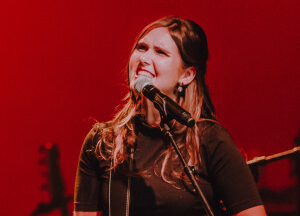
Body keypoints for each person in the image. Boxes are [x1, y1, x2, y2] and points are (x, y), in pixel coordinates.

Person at [73, 16, 266, 216]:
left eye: (160, 52)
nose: (145, 58)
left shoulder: (209, 139)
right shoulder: (103, 142)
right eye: (141, 48)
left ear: (187, 75)